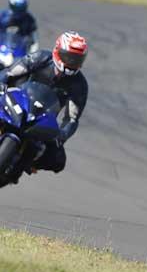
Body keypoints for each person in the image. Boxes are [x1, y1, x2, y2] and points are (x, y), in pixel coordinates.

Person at [0, 31, 89, 179]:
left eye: (77, 59)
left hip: (43, 119)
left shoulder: (79, 85)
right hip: (18, 100)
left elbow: (72, 119)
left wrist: (62, 136)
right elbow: (10, 73)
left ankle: (26, 164)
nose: (72, 63)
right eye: (69, 57)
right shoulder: (42, 58)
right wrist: (1, 83)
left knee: (58, 160)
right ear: (57, 51)